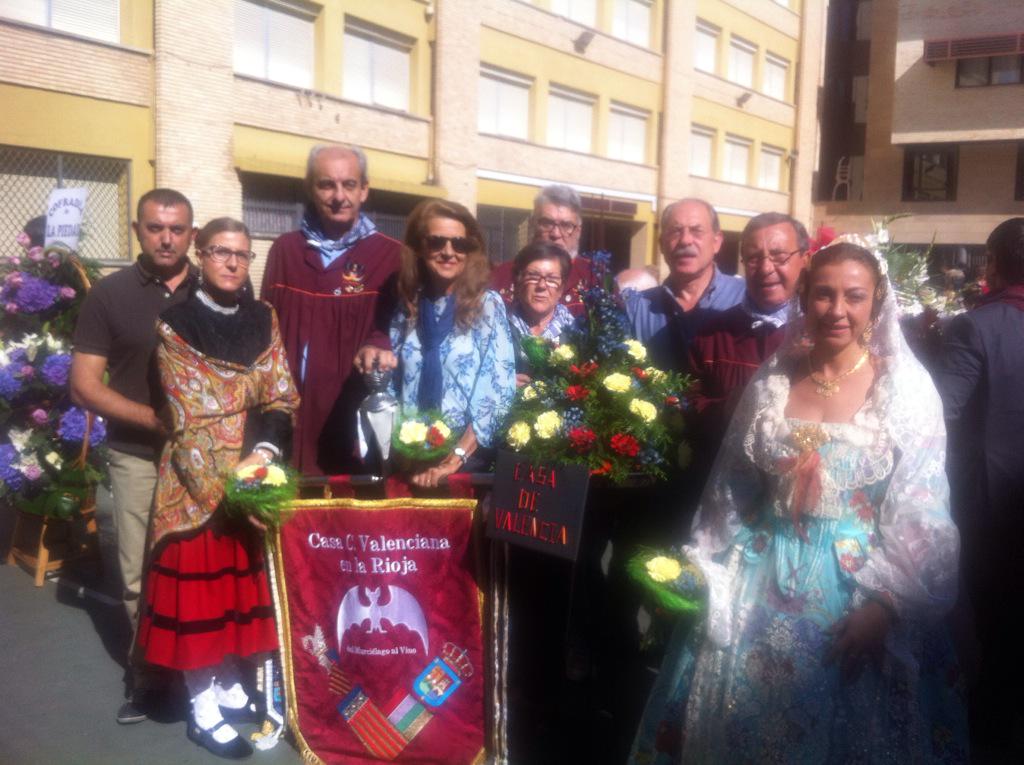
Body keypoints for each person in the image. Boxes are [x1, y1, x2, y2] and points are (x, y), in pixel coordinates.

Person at [631, 240, 966, 763]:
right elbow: (734, 484)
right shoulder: (774, 378)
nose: (837, 310)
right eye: (824, 294)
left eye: (854, 296)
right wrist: (706, 557)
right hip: (761, 575)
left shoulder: (904, 388)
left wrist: (885, 603)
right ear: (804, 297)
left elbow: (922, 504)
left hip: (856, 586)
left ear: (876, 302)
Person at [136, 218, 299, 759]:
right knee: (200, 599)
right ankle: (201, 705)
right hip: (196, 484)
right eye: (221, 252)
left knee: (235, 594)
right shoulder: (175, 324)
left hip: (252, 471)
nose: (232, 263)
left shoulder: (263, 317)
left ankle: (229, 682)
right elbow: (189, 417)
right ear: (200, 256)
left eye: (243, 255)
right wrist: (231, 492)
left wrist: (264, 457)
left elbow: (279, 395)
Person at [70, 188, 198, 724]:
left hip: (205, 458)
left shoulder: (217, 286)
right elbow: (83, 386)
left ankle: (207, 673)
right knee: (139, 574)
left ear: (192, 234)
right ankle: (150, 678)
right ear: (137, 231)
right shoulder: (109, 295)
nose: (166, 238)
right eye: (155, 228)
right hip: (137, 455)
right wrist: (152, 420)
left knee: (202, 566)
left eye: (177, 229)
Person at [935, 217, 1024, 759]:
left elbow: (941, 410)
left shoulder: (976, 327)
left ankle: (991, 734)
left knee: (997, 626)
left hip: (996, 507)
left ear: (993, 264)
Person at [261, 143, 399, 475]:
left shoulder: (392, 257)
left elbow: (398, 331)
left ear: (364, 190)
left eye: (349, 184)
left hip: (351, 417)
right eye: (326, 185)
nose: (339, 196)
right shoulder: (285, 252)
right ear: (311, 189)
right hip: (289, 415)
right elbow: (265, 332)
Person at [383, 199, 516, 487]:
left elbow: (496, 391)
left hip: (465, 460)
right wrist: (407, 452)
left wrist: (455, 457)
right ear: (419, 247)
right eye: (436, 242)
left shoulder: (486, 305)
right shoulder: (407, 307)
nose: (448, 251)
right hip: (409, 457)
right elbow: (393, 385)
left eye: (459, 244)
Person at [688, 212, 810, 460]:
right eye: (754, 258)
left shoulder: (826, 333)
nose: (765, 268)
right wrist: (727, 408)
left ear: (805, 260)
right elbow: (688, 404)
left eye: (779, 256)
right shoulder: (713, 335)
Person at [624, 199, 745, 374]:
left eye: (697, 231)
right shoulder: (635, 309)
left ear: (716, 242)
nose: (685, 240)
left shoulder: (747, 298)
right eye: (675, 231)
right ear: (661, 244)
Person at [491, 184, 600, 317]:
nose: (555, 234)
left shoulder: (595, 279)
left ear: (578, 231)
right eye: (547, 223)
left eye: (566, 225)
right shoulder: (501, 276)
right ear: (532, 224)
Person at [506, 241, 578, 386]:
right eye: (533, 276)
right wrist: (502, 382)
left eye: (552, 279)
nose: (541, 286)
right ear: (518, 281)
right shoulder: (498, 327)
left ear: (562, 288)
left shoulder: (578, 334)